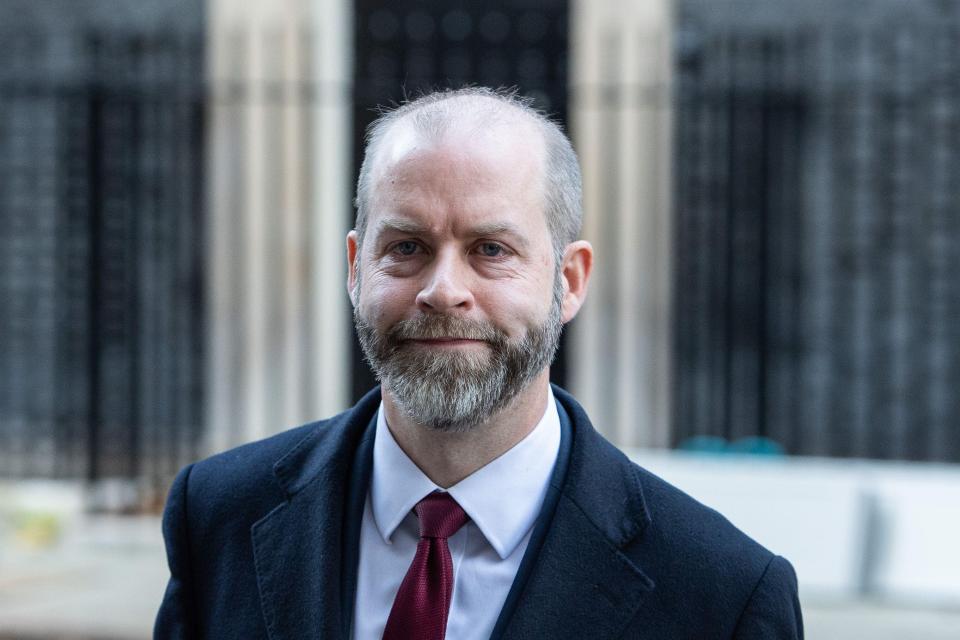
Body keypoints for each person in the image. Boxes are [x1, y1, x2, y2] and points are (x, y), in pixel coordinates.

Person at [155, 87, 803, 639]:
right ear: (355, 269)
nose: (443, 289)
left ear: (570, 280)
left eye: (490, 249)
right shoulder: (217, 516)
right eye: (406, 246)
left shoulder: (724, 598)